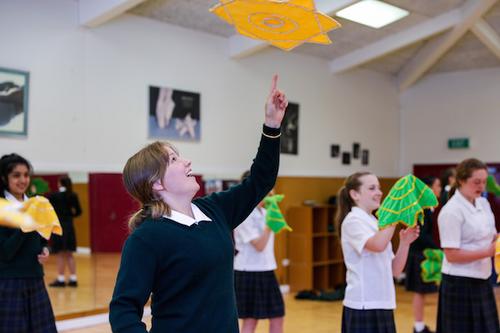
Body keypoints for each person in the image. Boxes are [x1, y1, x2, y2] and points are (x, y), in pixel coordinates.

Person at [109, 75, 287, 333]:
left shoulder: (215, 210)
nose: (187, 162)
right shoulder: (147, 238)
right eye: (173, 160)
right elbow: (124, 310)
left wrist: (271, 125)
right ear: (156, 183)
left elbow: (261, 180)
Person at [336, 172, 419, 333]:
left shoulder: (375, 222)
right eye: (372, 188)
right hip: (363, 305)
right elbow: (377, 245)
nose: (379, 192)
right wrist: (394, 216)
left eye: (379, 188)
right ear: (355, 194)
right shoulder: (353, 220)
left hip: (383, 302)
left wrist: (404, 243)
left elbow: (395, 271)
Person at [436, 158, 499, 333]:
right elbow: (452, 255)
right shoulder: (451, 211)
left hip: (482, 278)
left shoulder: (483, 203)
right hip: (459, 283)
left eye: (484, 182)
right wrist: (487, 251)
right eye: (476, 182)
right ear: (462, 181)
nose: (482, 186)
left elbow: (491, 236)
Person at [0, 153, 57, 333]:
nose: (23, 180)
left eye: (26, 175)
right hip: (9, 283)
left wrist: (45, 249)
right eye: (16, 175)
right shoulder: (2, 208)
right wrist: (25, 223)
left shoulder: (35, 204)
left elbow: (41, 238)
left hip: (35, 280)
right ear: (4, 178)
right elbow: (5, 253)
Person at [234, 172, 284, 333]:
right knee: (250, 321)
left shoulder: (264, 211)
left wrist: (272, 210)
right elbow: (260, 245)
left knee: (277, 316)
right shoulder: (243, 214)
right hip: (248, 271)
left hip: (267, 269)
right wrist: (270, 224)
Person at [405, 177, 442, 333]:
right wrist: (439, 249)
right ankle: (418, 327)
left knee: (423, 292)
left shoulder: (428, 207)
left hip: (423, 253)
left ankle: (420, 326)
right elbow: (419, 235)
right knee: (419, 292)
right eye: (437, 185)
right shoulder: (421, 209)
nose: (439, 188)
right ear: (428, 188)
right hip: (419, 254)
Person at [47, 176, 82, 287]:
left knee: (60, 254)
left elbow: (49, 210)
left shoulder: (53, 196)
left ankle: (61, 279)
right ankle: (73, 278)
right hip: (69, 227)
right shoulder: (73, 195)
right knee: (69, 254)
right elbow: (79, 212)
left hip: (58, 227)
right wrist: (70, 215)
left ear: (60, 184)